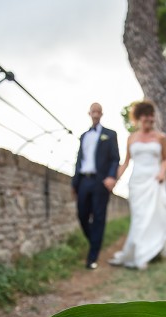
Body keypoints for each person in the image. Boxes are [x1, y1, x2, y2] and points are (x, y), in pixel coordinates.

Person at [108, 100, 166, 270]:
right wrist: (115, 179)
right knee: (139, 219)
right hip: (137, 182)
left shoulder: (161, 137)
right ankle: (139, 252)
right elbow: (126, 162)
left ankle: (145, 254)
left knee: (153, 217)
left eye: (151, 116)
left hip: (154, 181)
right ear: (139, 118)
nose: (149, 119)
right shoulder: (131, 138)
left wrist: (161, 172)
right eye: (145, 116)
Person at [72, 102, 120, 269]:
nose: (96, 113)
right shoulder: (84, 136)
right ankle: (95, 240)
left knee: (99, 218)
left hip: (101, 181)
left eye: (98, 111)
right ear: (89, 113)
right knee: (82, 215)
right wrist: (75, 183)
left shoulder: (110, 134)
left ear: (102, 113)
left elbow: (115, 158)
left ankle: (92, 258)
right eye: (93, 110)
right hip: (84, 180)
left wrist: (112, 176)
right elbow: (79, 160)